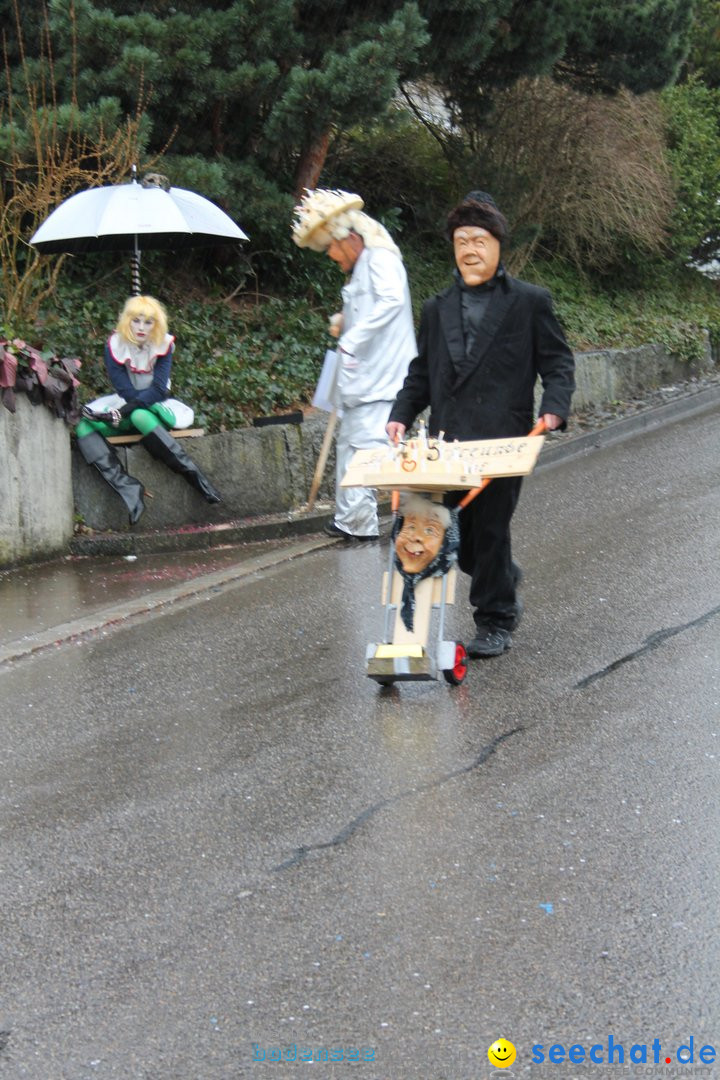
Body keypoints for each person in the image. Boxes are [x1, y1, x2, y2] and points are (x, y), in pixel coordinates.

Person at [386, 195, 575, 657]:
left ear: (498, 246)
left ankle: (495, 620)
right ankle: (503, 578)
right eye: (461, 241)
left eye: (480, 240)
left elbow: (557, 362)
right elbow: (422, 371)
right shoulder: (436, 307)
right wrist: (400, 414)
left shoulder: (530, 302)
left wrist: (553, 406)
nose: (470, 249)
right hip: (446, 444)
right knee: (450, 533)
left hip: (505, 441)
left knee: (490, 531)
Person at [292, 188, 416, 540]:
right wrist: (344, 321)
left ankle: (399, 514)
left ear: (348, 239)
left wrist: (352, 337)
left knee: (370, 449)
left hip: (383, 377)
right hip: (364, 379)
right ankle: (353, 520)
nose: (330, 254)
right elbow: (368, 309)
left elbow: (391, 302)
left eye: (330, 246)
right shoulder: (363, 268)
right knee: (354, 446)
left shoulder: (380, 260)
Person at [75, 295, 221, 524]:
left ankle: (196, 478)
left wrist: (123, 412)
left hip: (154, 407)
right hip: (124, 403)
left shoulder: (163, 344)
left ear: (157, 324)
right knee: (84, 426)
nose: (141, 327)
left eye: (148, 322)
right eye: (136, 320)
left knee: (139, 414)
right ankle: (129, 490)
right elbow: (124, 390)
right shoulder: (115, 345)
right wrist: (120, 411)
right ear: (127, 321)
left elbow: (158, 390)